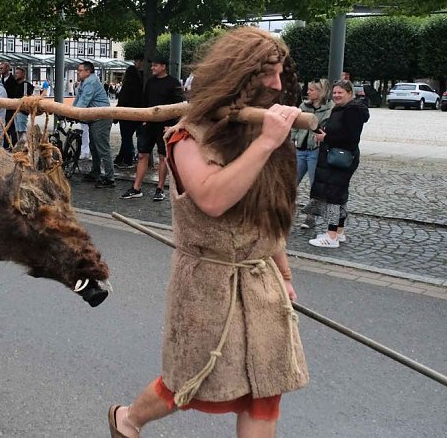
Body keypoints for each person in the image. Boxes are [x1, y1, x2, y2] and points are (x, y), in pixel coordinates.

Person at [107, 27, 307, 438]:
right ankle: (128, 419)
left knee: (266, 388)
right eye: (266, 74)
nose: (276, 84)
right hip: (208, 284)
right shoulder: (187, 135)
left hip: (261, 280)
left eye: (280, 73)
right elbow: (213, 199)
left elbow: (268, 218)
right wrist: (267, 144)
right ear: (238, 76)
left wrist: (284, 275)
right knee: (188, 381)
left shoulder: (261, 133)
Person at [307, 80, 370, 248]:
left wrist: (326, 138)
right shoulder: (343, 109)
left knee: (333, 197)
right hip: (338, 157)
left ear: (349, 93)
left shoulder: (351, 111)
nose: (336, 95)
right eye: (334, 93)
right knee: (340, 196)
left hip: (341, 159)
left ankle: (331, 236)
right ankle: (339, 232)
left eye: (340, 93)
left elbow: (350, 138)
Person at [121, 55, 183, 202]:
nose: (152, 68)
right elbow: (145, 101)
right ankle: (136, 188)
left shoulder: (173, 83)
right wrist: (143, 119)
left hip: (164, 126)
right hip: (149, 124)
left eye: (155, 65)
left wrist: (172, 125)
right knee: (142, 155)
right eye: (152, 65)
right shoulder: (150, 82)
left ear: (163, 67)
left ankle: (160, 189)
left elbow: (178, 106)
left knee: (163, 157)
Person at [291, 79, 333, 229]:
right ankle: (288, 211)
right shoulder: (304, 106)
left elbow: (326, 127)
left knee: (314, 185)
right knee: (291, 182)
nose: (308, 92)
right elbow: (295, 124)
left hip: (315, 150)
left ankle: (311, 217)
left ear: (320, 92)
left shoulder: (329, 108)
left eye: (311, 90)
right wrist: (294, 137)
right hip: (300, 149)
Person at [73, 61, 114, 188]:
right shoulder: (85, 82)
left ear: (88, 71)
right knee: (94, 147)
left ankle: (109, 178)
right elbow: (78, 99)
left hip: (101, 118)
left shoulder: (90, 82)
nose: (78, 72)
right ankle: (95, 172)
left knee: (102, 147)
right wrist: (71, 111)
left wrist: (73, 112)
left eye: (80, 70)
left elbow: (84, 100)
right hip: (95, 118)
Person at [114, 57, 144, 168]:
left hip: (125, 115)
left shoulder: (126, 87)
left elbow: (122, 101)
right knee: (127, 138)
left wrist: (116, 116)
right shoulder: (140, 86)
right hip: (136, 115)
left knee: (126, 138)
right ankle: (121, 158)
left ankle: (128, 159)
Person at [13, 67, 36, 143]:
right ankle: (21, 146)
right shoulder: (16, 85)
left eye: (17, 73)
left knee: (22, 131)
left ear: (23, 74)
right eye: (15, 73)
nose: (16, 75)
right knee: (18, 130)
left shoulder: (25, 85)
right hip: (16, 110)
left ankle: (24, 146)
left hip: (22, 111)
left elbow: (26, 97)